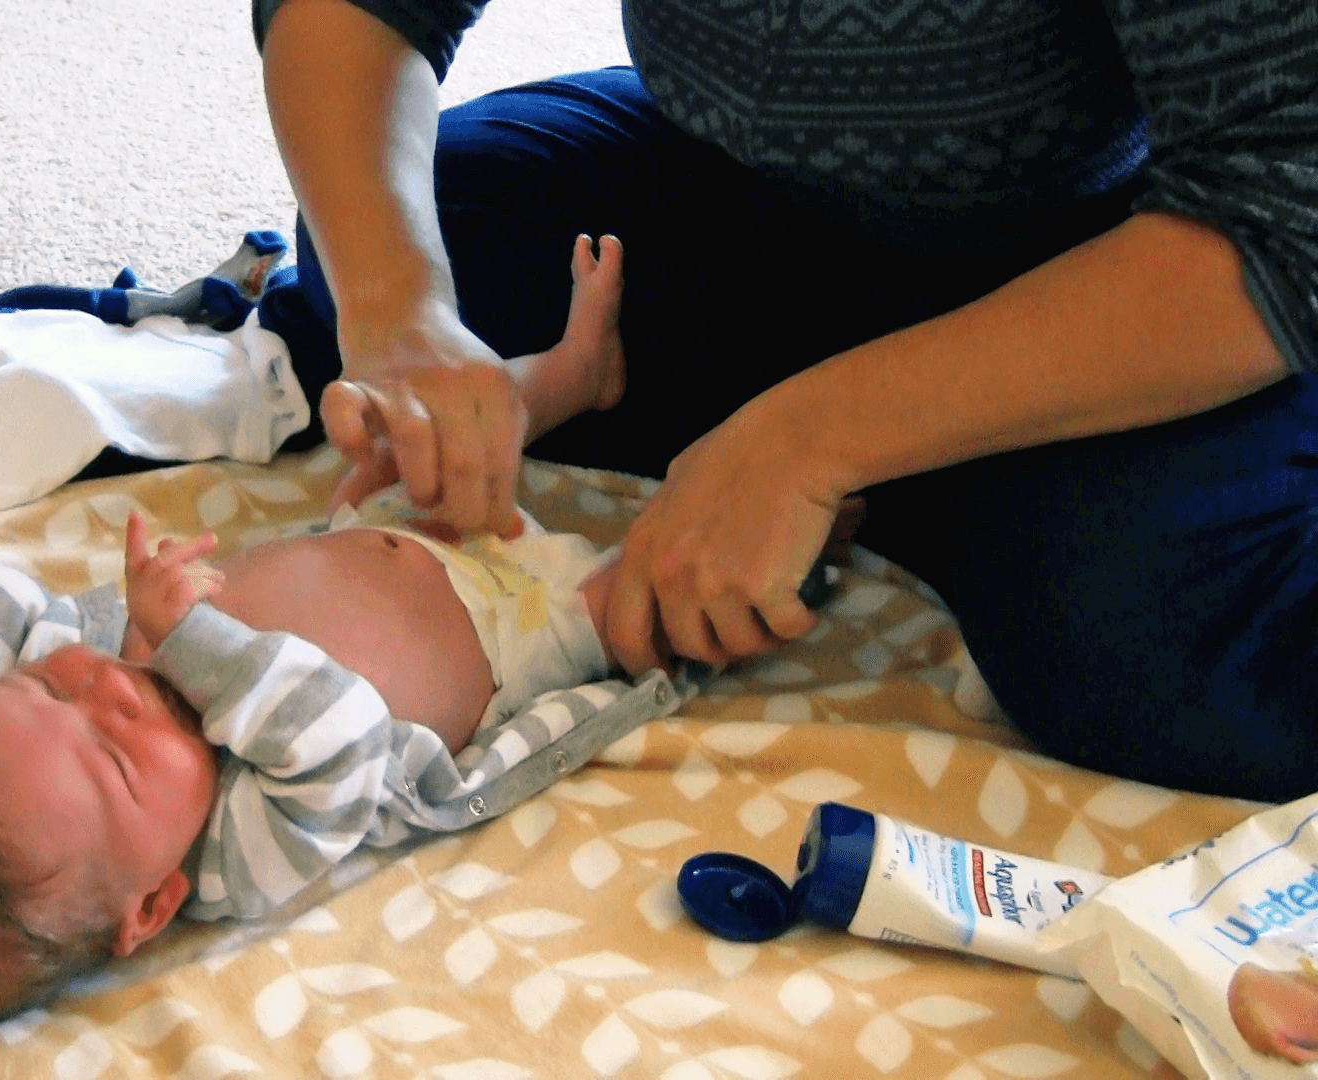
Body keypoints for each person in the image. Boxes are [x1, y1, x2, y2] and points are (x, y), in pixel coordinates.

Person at [244, 0, 1318, 802]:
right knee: (412, 237)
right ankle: (934, 479)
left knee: (1141, 652)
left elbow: (1282, 200)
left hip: (1122, 247)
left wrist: (811, 442)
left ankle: (934, 469)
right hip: (747, 184)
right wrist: (399, 311)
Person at [0, 236, 701, 1025]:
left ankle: (575, 372)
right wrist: (187, 641)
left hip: (384, 525)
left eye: (43, 686)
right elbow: (343, 737)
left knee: (436, 442)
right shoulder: (238, 850)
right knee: (654, 599)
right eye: (113, 756)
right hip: (526, 627)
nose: (99, 686)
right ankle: (768, 533)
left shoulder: (87, 691)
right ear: (152, 908)